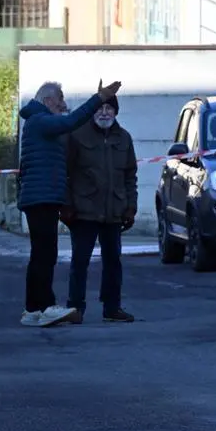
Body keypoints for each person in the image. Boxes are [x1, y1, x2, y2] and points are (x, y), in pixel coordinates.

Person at [17, 79, 121, 327]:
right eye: (60, 99)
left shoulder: (37, 122)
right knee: (45, 254)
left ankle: (32, 309)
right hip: (42, 197)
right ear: (47, 100)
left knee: (41, 253)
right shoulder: (41, 121)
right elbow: (69, 121)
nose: (63, 105)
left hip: (41, 196)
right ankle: (43, 306)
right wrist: (99, 98)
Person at [61, 96, 137, 323]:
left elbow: (130, 175)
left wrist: (131, 206)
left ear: (116, 112)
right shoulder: (76, 135)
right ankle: (75, 307)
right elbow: (65, 172)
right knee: (80, 261)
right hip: (84, 210)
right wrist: (66, 205)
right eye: (100, 108)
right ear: (92, 112)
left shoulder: (124, 138)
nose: (104, 113)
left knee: (113, 260)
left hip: (114, 210)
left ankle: (112, 308)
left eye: (109, 108)